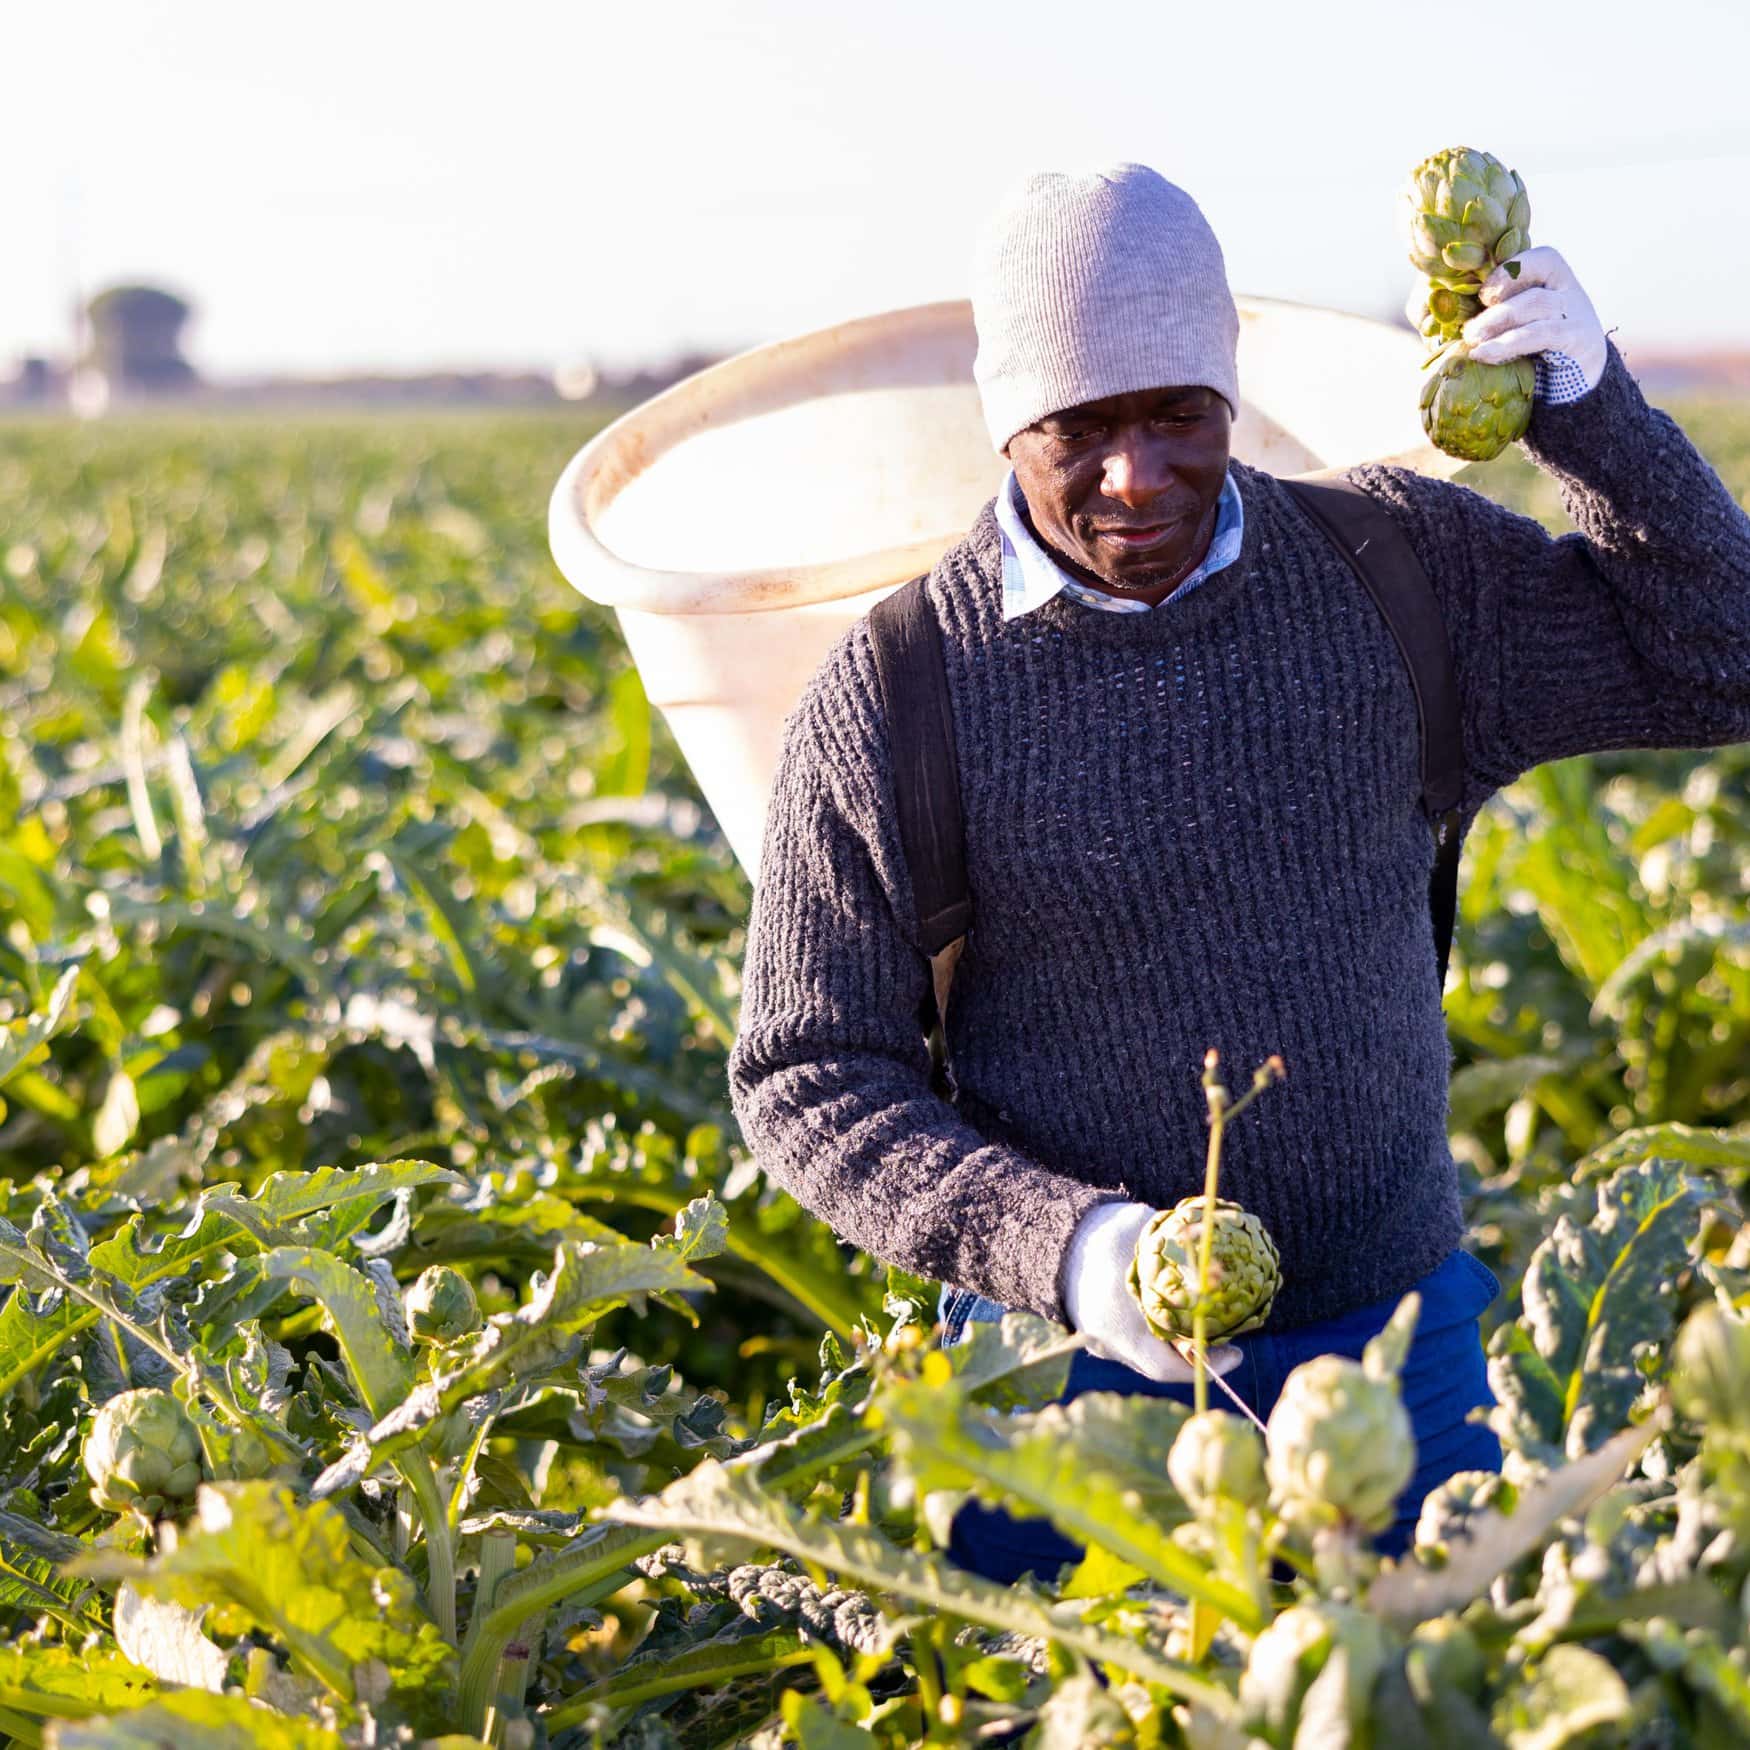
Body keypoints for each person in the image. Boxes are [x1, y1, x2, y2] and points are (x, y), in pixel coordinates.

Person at [726, 162, 1750, 1577]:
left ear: (1227, 396)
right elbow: (804, 1072)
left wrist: (1589, 413)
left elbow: (1723, 654)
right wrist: (1070, 1252)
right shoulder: (897, 690)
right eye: (1077, 427)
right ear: (1003, 420)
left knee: (1461, 1696)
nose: (1133, 471)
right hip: (1060, 1381)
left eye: (1173, 414)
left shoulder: (1398, 573)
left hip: (1397, 1338)